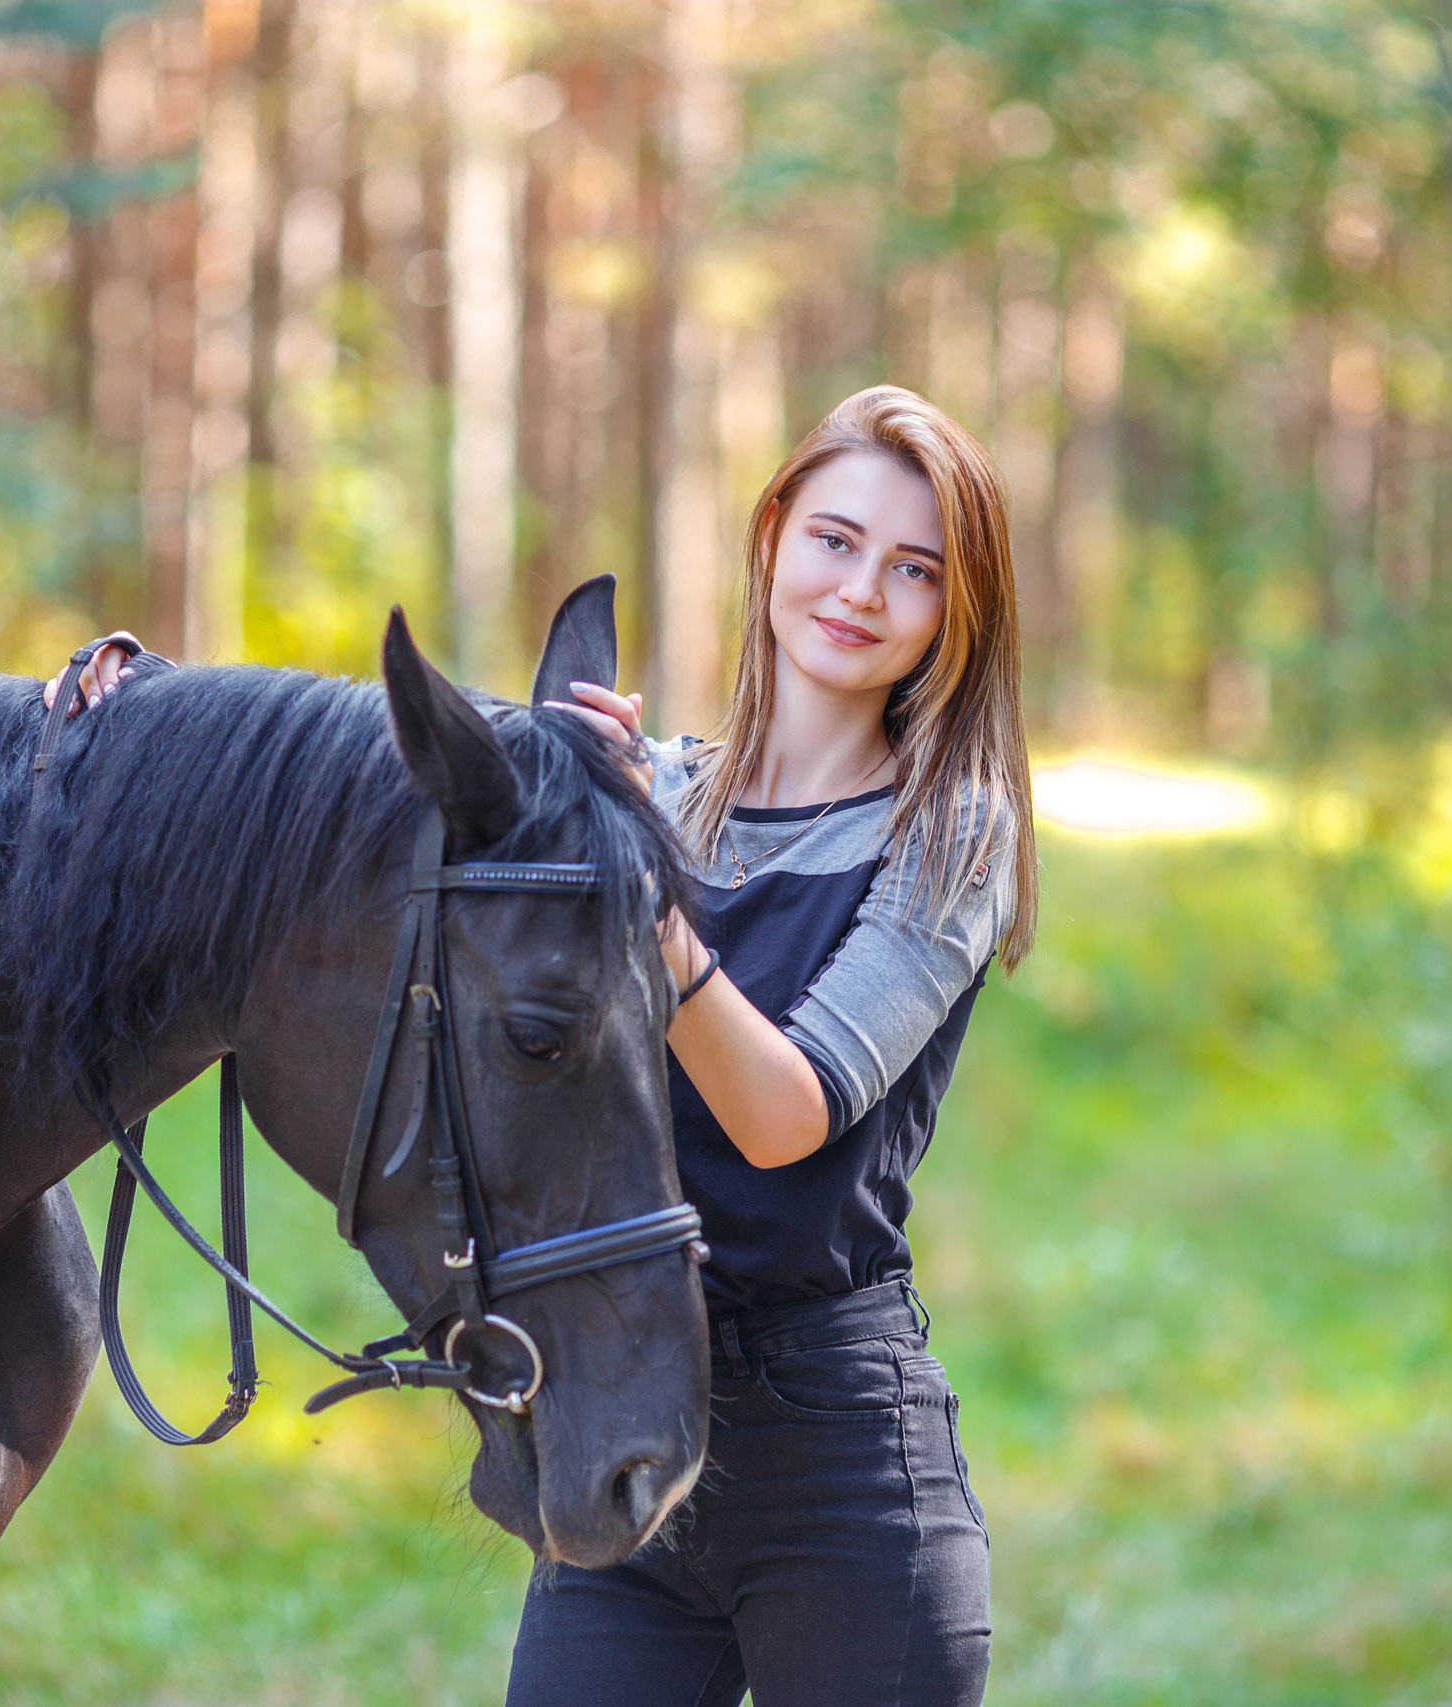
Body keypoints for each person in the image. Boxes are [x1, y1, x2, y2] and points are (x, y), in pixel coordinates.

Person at [517, 385, 1037, 1707]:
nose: (862, 590)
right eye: (836, 540)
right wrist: (150, 696)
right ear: (772, 543)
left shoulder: (953, 834)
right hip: (627, 1437)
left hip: (840, 1476)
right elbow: (402, 767)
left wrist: (642, 891)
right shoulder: (663, 791)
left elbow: (785, 1114)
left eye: (915, 570)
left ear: (953, 617)